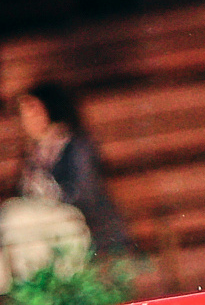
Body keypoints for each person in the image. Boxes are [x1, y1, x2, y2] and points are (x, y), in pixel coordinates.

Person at [12, 82, 130, 255]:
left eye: (33, 111)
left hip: (83, 224)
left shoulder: (76, 146)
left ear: (50, 108)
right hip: (47, 226)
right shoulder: (33, 154)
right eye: (24, 114)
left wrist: (50, 200)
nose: (27, 119)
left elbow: (85, 192)